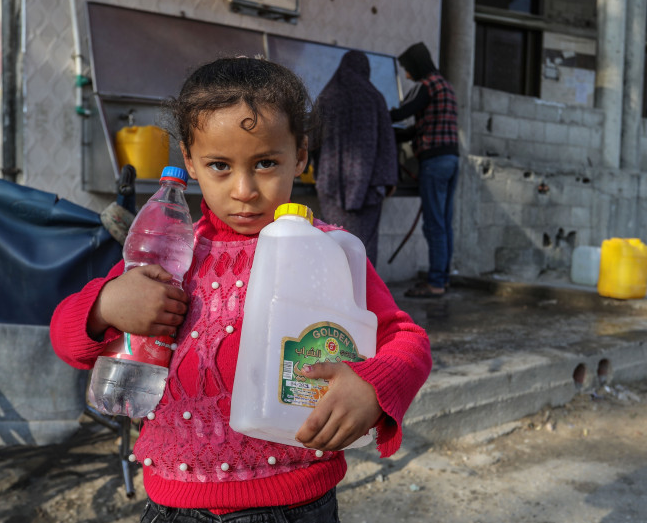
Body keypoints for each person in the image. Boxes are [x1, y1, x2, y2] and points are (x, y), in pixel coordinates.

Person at [49, 56, 432, 522]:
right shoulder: (169, 255)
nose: (245, 189)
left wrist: (373, 387)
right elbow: (66, 339)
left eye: (266, 162)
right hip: (171, 507)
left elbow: (405, 338)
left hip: (291, 507)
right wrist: (105, 305)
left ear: (302, 155)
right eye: (219, 166)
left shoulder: (330, 252)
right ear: (189, 161)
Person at [309, 50, 398, 265]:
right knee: (364, 246)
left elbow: (311, 139)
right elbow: (388, 142)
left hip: (332, 185)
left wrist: (309, 168)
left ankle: (338, 294)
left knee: (336, 241)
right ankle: (366, 295)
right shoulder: (375, 97)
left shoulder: (327, 96)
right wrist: (390, 180)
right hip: (369, 188)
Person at [389, 42, 459, 298]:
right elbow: (422, 127)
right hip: (452, 160)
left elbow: (401, 114)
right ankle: (444, 277)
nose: (407, 75)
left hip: (435, 162)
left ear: (417, 65)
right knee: (445, 223)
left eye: (407, 69)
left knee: (434, 225)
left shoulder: (427, 87)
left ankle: (436, 283)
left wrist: (376, 116)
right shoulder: (446, 87)